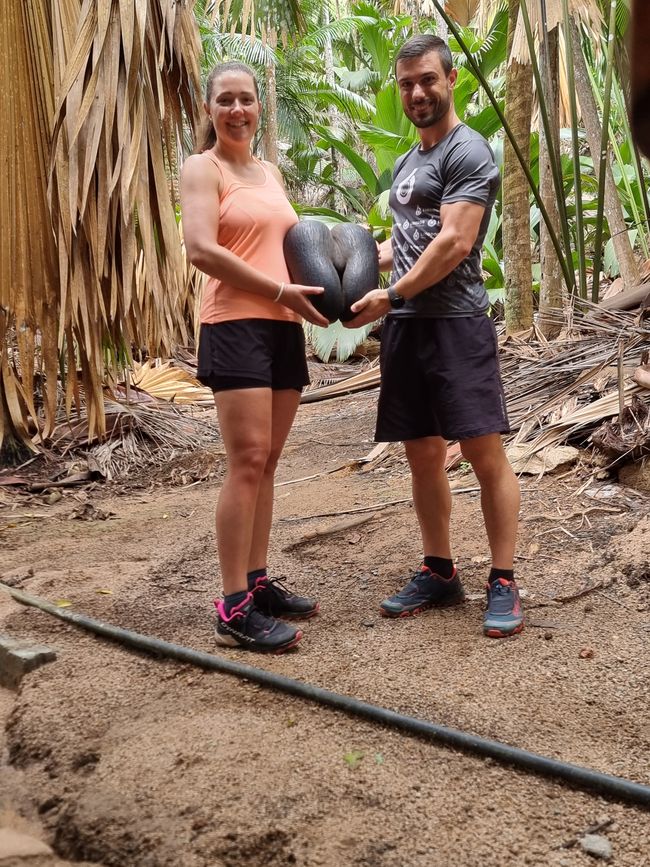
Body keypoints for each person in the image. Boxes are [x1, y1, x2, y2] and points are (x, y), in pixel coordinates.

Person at [345, 35, 523, 638]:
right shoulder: (407, 162)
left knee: (482, 451)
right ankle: (441, 571)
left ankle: (503, 579)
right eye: (406, 84)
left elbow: (454, 242)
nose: (417, 92)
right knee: (422, 454)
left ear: (449, 79)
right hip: (408, 330)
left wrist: (391, 294)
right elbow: (410, 237)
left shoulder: (467, 150)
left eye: (427, 79)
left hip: (454, 324)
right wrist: (362, 262)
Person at [180, 61, 329, 653]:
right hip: (235, 323)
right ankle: (232, 605)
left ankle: (258, 580)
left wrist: (346, 283)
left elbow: (290, 248)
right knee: (246, 460)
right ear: (210, 109)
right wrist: (276, 292)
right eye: (226, 101)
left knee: (267, 462)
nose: (237, 110)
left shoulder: (268, 172)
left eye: (246, 99)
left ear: (257, 107)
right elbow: (201, 249)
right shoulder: (202, 168)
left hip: (281, 327)